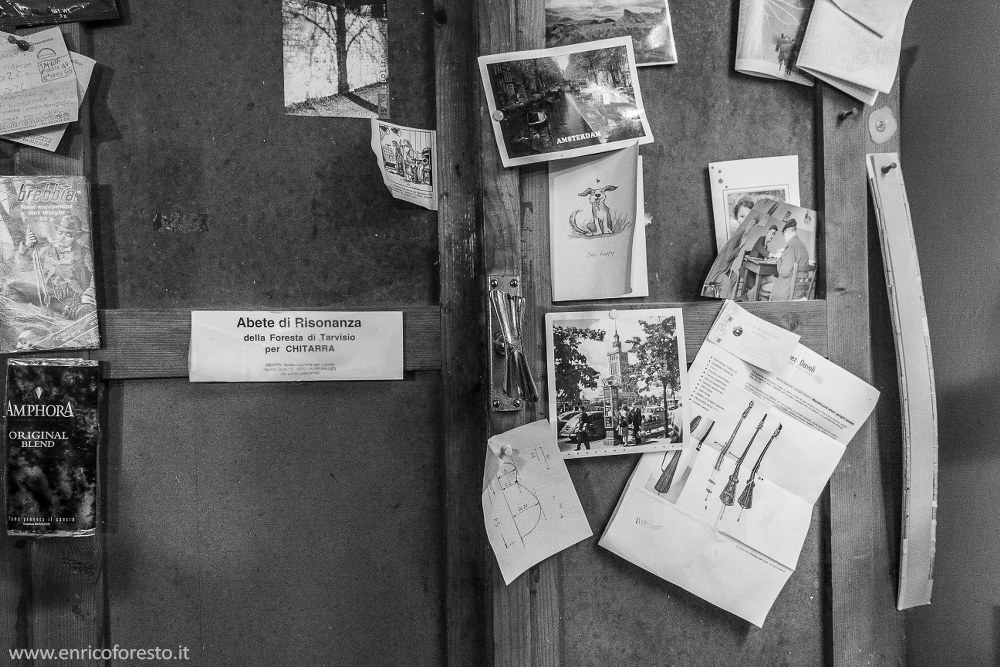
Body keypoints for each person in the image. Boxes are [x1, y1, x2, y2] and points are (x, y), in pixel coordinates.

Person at [9, 214, 96, 320]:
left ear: (76, 237)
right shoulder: (46, 251)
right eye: (60, 233)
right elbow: (23, 267)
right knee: (12, 287)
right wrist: (27, 245)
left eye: (68, 235)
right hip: (48, 300)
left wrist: (89, 295)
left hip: (74, 302)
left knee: (86, 312)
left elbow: (97, 277)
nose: (62, 238)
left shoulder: (86, 253)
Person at [770, 220, 810, 300]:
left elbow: (784, 272)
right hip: (800, 291)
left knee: (762, 289)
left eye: (783, 234)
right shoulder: (802, 245)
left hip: (789, 290)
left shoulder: (791, 245)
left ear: (787, 231)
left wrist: (779, 258)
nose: (784, 237)